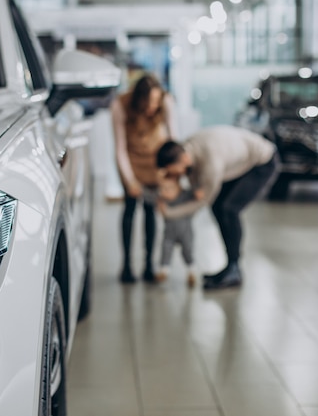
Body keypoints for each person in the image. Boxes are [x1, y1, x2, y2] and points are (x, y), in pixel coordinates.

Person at [155, 125, 279, 290]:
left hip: (263, 161)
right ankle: (230, 267)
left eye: (174, 172)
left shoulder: (210, 162)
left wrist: (170, 213)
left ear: (182, 160)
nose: (175, 176)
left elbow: (202, 201)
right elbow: (195, 180)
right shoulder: (185, 148)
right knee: (218, 207)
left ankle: (234, 270)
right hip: (238, 162)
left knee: (229, 209)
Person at [111, 73, 179, 283]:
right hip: (130, 159)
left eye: (156, 102)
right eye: (148, 102)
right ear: (138, 98)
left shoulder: (167, 101)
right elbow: (120, 148)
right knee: (130, 209)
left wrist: (170, 173)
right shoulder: (120, 105)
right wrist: (129, 180)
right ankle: (127, 265)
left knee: (151, 210)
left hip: (154, 160)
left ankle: (149, 264)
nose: (152, 107)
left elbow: (172, 139)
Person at [155, 172, 198, 287]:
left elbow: (195, 192)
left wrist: (198, 192)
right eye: (163, 189)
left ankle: (192, 270)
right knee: (165, 249)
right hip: (169, 233)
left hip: (185, 232)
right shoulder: (162, 200)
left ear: (178, 187)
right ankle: (164, 270)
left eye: (169, 188)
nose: (166, 191)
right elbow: (149, 196)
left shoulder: (184, 196)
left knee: (187, 252)